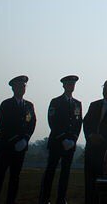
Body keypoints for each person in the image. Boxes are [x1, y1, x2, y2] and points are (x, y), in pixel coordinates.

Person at [0, 75, 36, 204]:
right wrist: (15, 140)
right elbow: (3, 124)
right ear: (13, 88)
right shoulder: (6, 104)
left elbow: (31, 123)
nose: (22, 88)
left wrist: (25, 139)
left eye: (24, 86)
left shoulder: (29, 105)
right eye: (20, 86)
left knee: (15, 177)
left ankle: (11, 200)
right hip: (6, 145)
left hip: (21, 147)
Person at [39, 75, 83, 204]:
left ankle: (61, 198)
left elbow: (78, 122)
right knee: (50, 171)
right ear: (64, 86)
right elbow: (53, 121)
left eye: (73, 84)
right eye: (69, 84)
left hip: (70, 144)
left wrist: (74, 139)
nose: (71, 86)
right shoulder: (56, 102)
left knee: (65, 173)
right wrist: (63, 138)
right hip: (57, 143)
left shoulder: (77, 104)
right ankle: (44, 198)